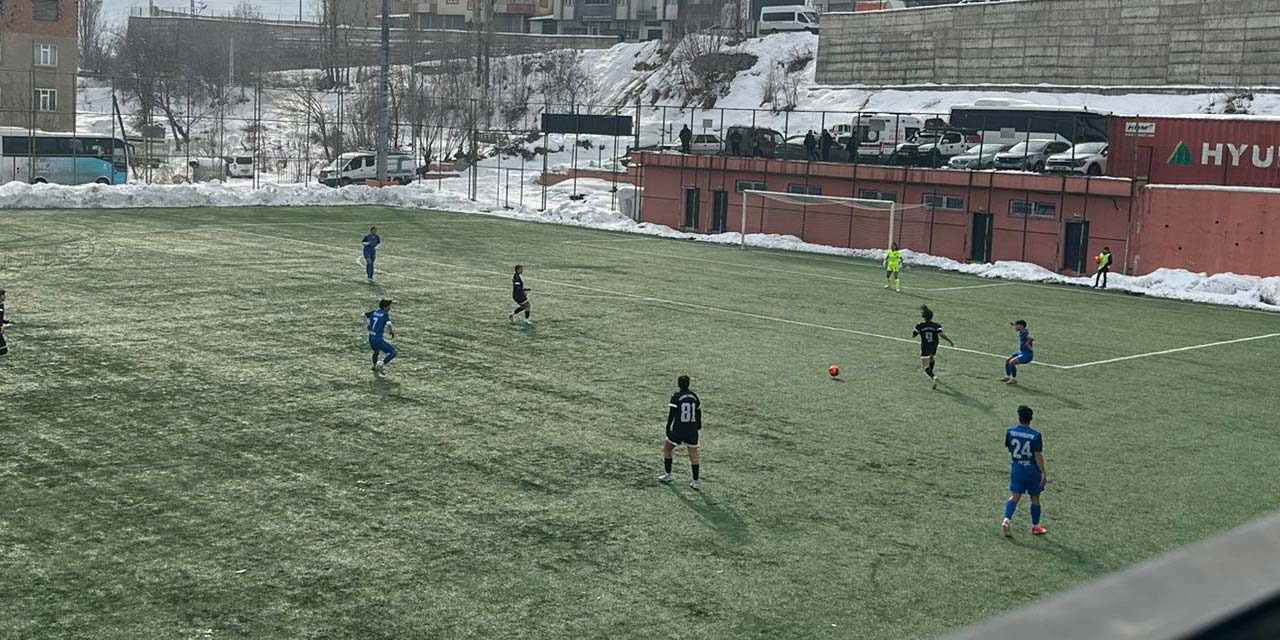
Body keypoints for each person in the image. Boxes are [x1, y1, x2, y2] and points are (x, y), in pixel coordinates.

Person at [1002, 405, 1048, 537]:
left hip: (1017, 469)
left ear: (1019, 417)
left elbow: (1009, 447)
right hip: (1032, 471)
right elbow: (1038, 455)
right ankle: (1035, 526)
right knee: (1035, 498)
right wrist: (1043, 472)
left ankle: (1007, 519)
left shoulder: (1010, 431)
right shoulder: (1035, 435)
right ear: (1031, 418)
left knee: (1014, 496)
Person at [658, 375, 703, 490]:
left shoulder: (676, 396)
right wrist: (698, 424)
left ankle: (668, 474)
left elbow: (672, 414)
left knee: (667, 449)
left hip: (679, 428)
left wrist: (668, 427)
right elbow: (698, 412)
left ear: (679, 384)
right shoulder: (694, 396)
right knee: (693, 454)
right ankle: (695, 481)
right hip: (692, 429)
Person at [913, 305, 954, 388]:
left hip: (925, 346)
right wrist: (950, 341)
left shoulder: (920, 325)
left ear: (923, 316)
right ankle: (931, 372)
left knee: (925, 366)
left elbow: (914, 334)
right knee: (931, 357)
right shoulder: (936, 325)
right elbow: (941, 334)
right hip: (934, 345)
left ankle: (933, 377)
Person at [365, 298, 396, 375]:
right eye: (389, 306)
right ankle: (381, 365)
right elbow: (389, 324)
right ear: (385, 307)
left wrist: (367, 325)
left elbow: (364, 315)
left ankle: (374, 366)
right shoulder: (384, 314)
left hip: (371, 337)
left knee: (376, 352)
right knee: (393, 352)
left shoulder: (374, 312)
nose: (390, 308)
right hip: (378, 339)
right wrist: (391, 331)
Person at [1000, 320, 1035, 385]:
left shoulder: (1023, 332)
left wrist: (1027, 343)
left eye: (1016, 326)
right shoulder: (1022, 330)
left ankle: (1014, 379)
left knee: (1012, 362)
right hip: (1021, 351)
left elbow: (1031, 338)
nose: (1014, 327)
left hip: (1027, 354)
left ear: (1020, 326)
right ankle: (1007, 377)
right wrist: (1013, 324)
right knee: (1007, 360)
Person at [0, 288, 10, 356]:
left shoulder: (1, 305)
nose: (5, 296)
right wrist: (1, 325)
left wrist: (5, 321)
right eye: (3, 295)